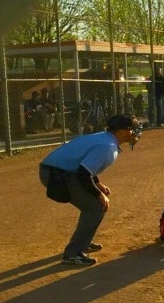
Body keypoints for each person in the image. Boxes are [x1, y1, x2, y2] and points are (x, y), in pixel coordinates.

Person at [39, 114, 142, 267]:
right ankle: (73, 254)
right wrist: (98, 194)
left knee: (93, 205)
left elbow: (86, 168)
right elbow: (83, 173)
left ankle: (83, 242)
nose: (134, 133)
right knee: (96, 206)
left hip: (60, 170)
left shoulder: (105, 138)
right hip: (56, 175)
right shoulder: (108, 147)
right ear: (120, 131)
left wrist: (99, 185)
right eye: (131, 130)